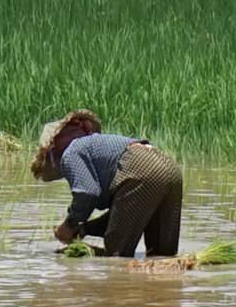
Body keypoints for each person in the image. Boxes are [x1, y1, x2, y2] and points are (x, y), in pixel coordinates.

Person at [33, 110, 184, 258]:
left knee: (117, 257)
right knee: (162, 256)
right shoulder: (94, 147)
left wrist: (69, 224)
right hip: (171, 168)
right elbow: (122, 215)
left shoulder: (70, 153)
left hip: (140, 167)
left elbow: (87, 192)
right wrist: (85, 229)